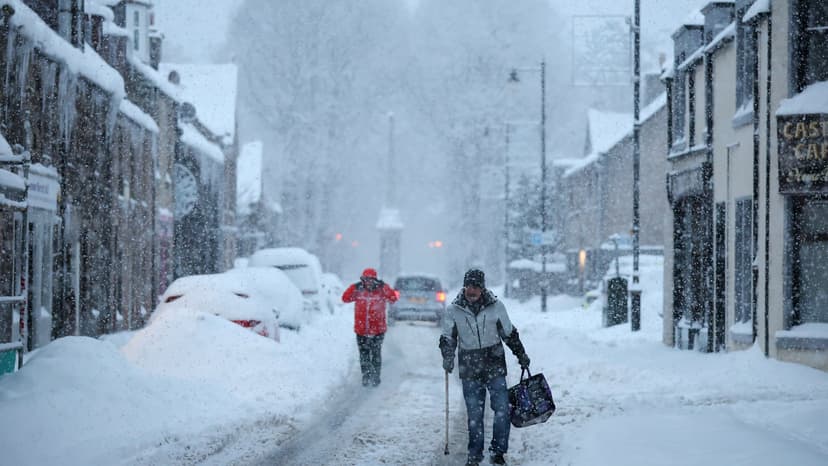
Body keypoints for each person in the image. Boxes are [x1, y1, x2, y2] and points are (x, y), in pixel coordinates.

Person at [439, 268, 530, 466]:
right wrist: (447, 356)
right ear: (464, 286)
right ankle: (474, 455)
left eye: (476, 287)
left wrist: (521, 354)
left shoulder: (496, 307)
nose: (472, 290)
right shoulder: (453, 310)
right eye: (469, 286)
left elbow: (509, 333)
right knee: (474, 414)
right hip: (469, 367)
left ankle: (498, 452)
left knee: (502, 409)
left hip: (494, 364)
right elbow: (447, 338)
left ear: (482, 288)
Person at [342, 268, 398, 387]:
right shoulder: (358, 290)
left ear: (375, 280)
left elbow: (393, 298)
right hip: (361, 330)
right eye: (365, 280)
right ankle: (366, 377)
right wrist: (354, 287)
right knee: (364, 355)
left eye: (370, 280)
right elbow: (345, 298)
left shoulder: (381, 290)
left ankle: (376, 377)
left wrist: (385, 287)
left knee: (376, 354)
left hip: (378, 330)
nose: (368, 282)